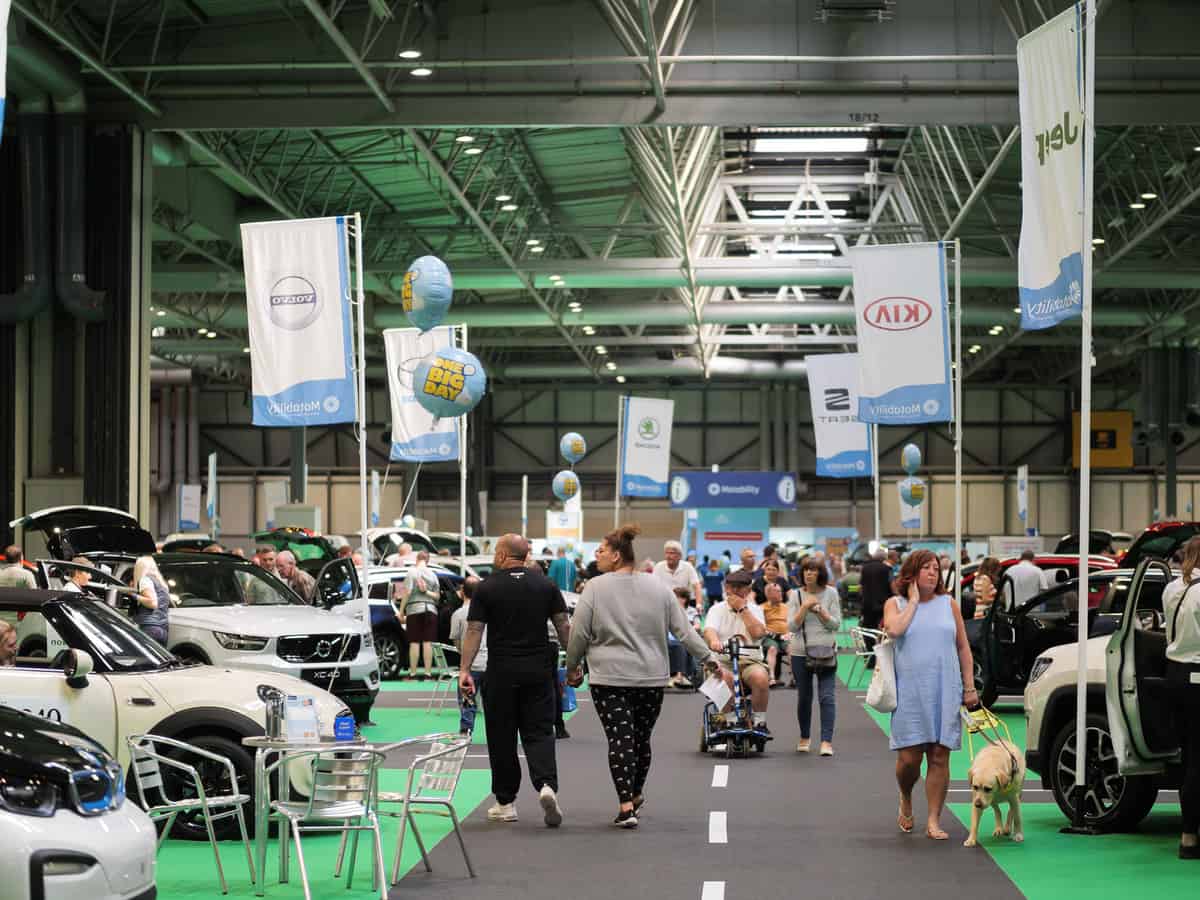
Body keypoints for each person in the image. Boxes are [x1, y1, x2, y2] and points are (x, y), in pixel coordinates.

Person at [565, 523, 717, 827]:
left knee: (620, 740)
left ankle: (626, 806)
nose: (597, 554)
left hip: (608, 679)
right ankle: (634, 795)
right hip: (651, 679)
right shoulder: (660, 588)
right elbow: (684, 632)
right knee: (640, 740)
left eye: (603, 550)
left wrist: (572, 668)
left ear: (618, 556)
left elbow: (579, 634)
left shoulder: (594, 587)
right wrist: (710, 659)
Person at [459, 534, 569, 827]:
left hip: (501, 671)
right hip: (538, 671)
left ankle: (505, 803)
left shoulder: (486, 587)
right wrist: (573, 662)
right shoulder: (546, 585)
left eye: (497, 551)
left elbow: (474, 629)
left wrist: (465, 670)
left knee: (501, 736)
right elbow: (563, 624)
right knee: (540, 732)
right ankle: (546, 785)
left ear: (504, 555)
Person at [883, 549, 978, 840]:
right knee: (909, 759)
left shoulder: (949, 604)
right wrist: (912, 601)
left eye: (936, 568)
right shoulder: (895, 603)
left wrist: (969, 685)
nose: (933, 572)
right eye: (926, 567)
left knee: (939, 755)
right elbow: (895, 630)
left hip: (945, 689)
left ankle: (934, 819)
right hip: (910, 691)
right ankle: (906, 795)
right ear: (912, 573)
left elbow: (963, 647)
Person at [1163, 536, 1200, 859]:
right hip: (1199, 677)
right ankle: (1192, 833)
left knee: (1189, 756)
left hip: (1174, 676)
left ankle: (1189, 836)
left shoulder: (1172, 589)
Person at [703, 569, 771, 734]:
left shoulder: (755, 610)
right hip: (723, 660)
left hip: (749, 660)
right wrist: (714, 641)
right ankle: (729, 720)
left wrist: (742, 609)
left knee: (761, 678)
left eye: (739, 587)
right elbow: (709, 630)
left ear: (748, 590)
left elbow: (758, 633)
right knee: (723, 677)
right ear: (726, 587)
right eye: (731, 586)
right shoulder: (716, 609)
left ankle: (760, 722)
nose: (733, 591)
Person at [789, 558, 842, 755]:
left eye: (813, 570)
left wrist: (821, 611)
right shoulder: (795, 595)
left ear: (821, 573)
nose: (809, 574)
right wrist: (804, 608)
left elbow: (836, 624)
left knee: (827, 697)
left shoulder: (831, 593)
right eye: (806, 571)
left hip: (826, 651)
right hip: (800, 652)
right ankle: (804, 736)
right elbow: (792, 627)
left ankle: (826, 741)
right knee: (804, 697)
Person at [449, 576, 486, 736]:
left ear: (463, 592)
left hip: (470, 664)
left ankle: (466, 730)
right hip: (491, 663)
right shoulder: (490, 612)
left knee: (466, 699)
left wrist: (464, 654)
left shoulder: (458, 614)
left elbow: (456, 641)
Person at [400, 551, 441, 680]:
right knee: (428, 642)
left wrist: (401, 611)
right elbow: (438, 597)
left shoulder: (412, 572)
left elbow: (407, 592)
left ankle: (412, 674)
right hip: (431, 610)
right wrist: (427, 592)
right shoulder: (433, 575)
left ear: (416, 559)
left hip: (414, 609)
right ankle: (428, 674)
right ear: (427, 561)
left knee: (414, 642)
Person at [859, 547, 892, 668]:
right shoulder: (887, 569)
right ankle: (882, 660)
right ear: (884, 558)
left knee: (867, 631)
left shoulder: (865, 568)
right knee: (882, 632)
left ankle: (870, 659)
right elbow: (890, 585)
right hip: (883, 605)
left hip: (867, 604)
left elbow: (861, 586)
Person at [667, 586, 703, 688]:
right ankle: (674, 676)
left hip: (685, 637)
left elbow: (698, 625)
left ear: (685, 599)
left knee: (681, 645)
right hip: (669, 638)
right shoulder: (668, 611)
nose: (678, 599)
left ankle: (679, 676)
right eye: (676, 597)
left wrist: (689, 629)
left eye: (681, 597)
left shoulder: (691, 611)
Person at [653, 540, 704, 610]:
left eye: (672, 553)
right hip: (665, 604)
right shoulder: (658, 567)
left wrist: (699, 604)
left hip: (684, 603)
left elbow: (697, 586)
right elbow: (653, 587)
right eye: (666, 553)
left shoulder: (688, 566)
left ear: (680, 556)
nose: (668, 556)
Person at [132, 556, 171, 645]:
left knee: (143, 658)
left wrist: (134, 595)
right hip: (163, 630)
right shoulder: (163, 584)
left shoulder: (145, 580)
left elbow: (152, 603)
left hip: (149, 629)